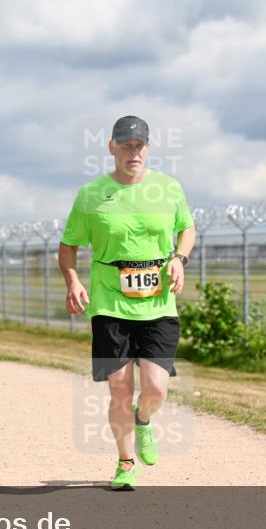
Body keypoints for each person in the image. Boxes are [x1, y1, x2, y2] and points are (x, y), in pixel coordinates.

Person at [58, 115, 195, 490]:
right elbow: (68, 245)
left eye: (139, 145)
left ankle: (144, 420)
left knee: (155, 389)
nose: (133, 152)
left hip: (158, 305)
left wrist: (179, 260)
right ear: (112, 147)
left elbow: (187, 228)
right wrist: (73, 280)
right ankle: (125, 462)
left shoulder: (168, 189)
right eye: (126, 145)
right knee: (119, 388)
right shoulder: (91, 195)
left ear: (148, 148)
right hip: (110, 306)